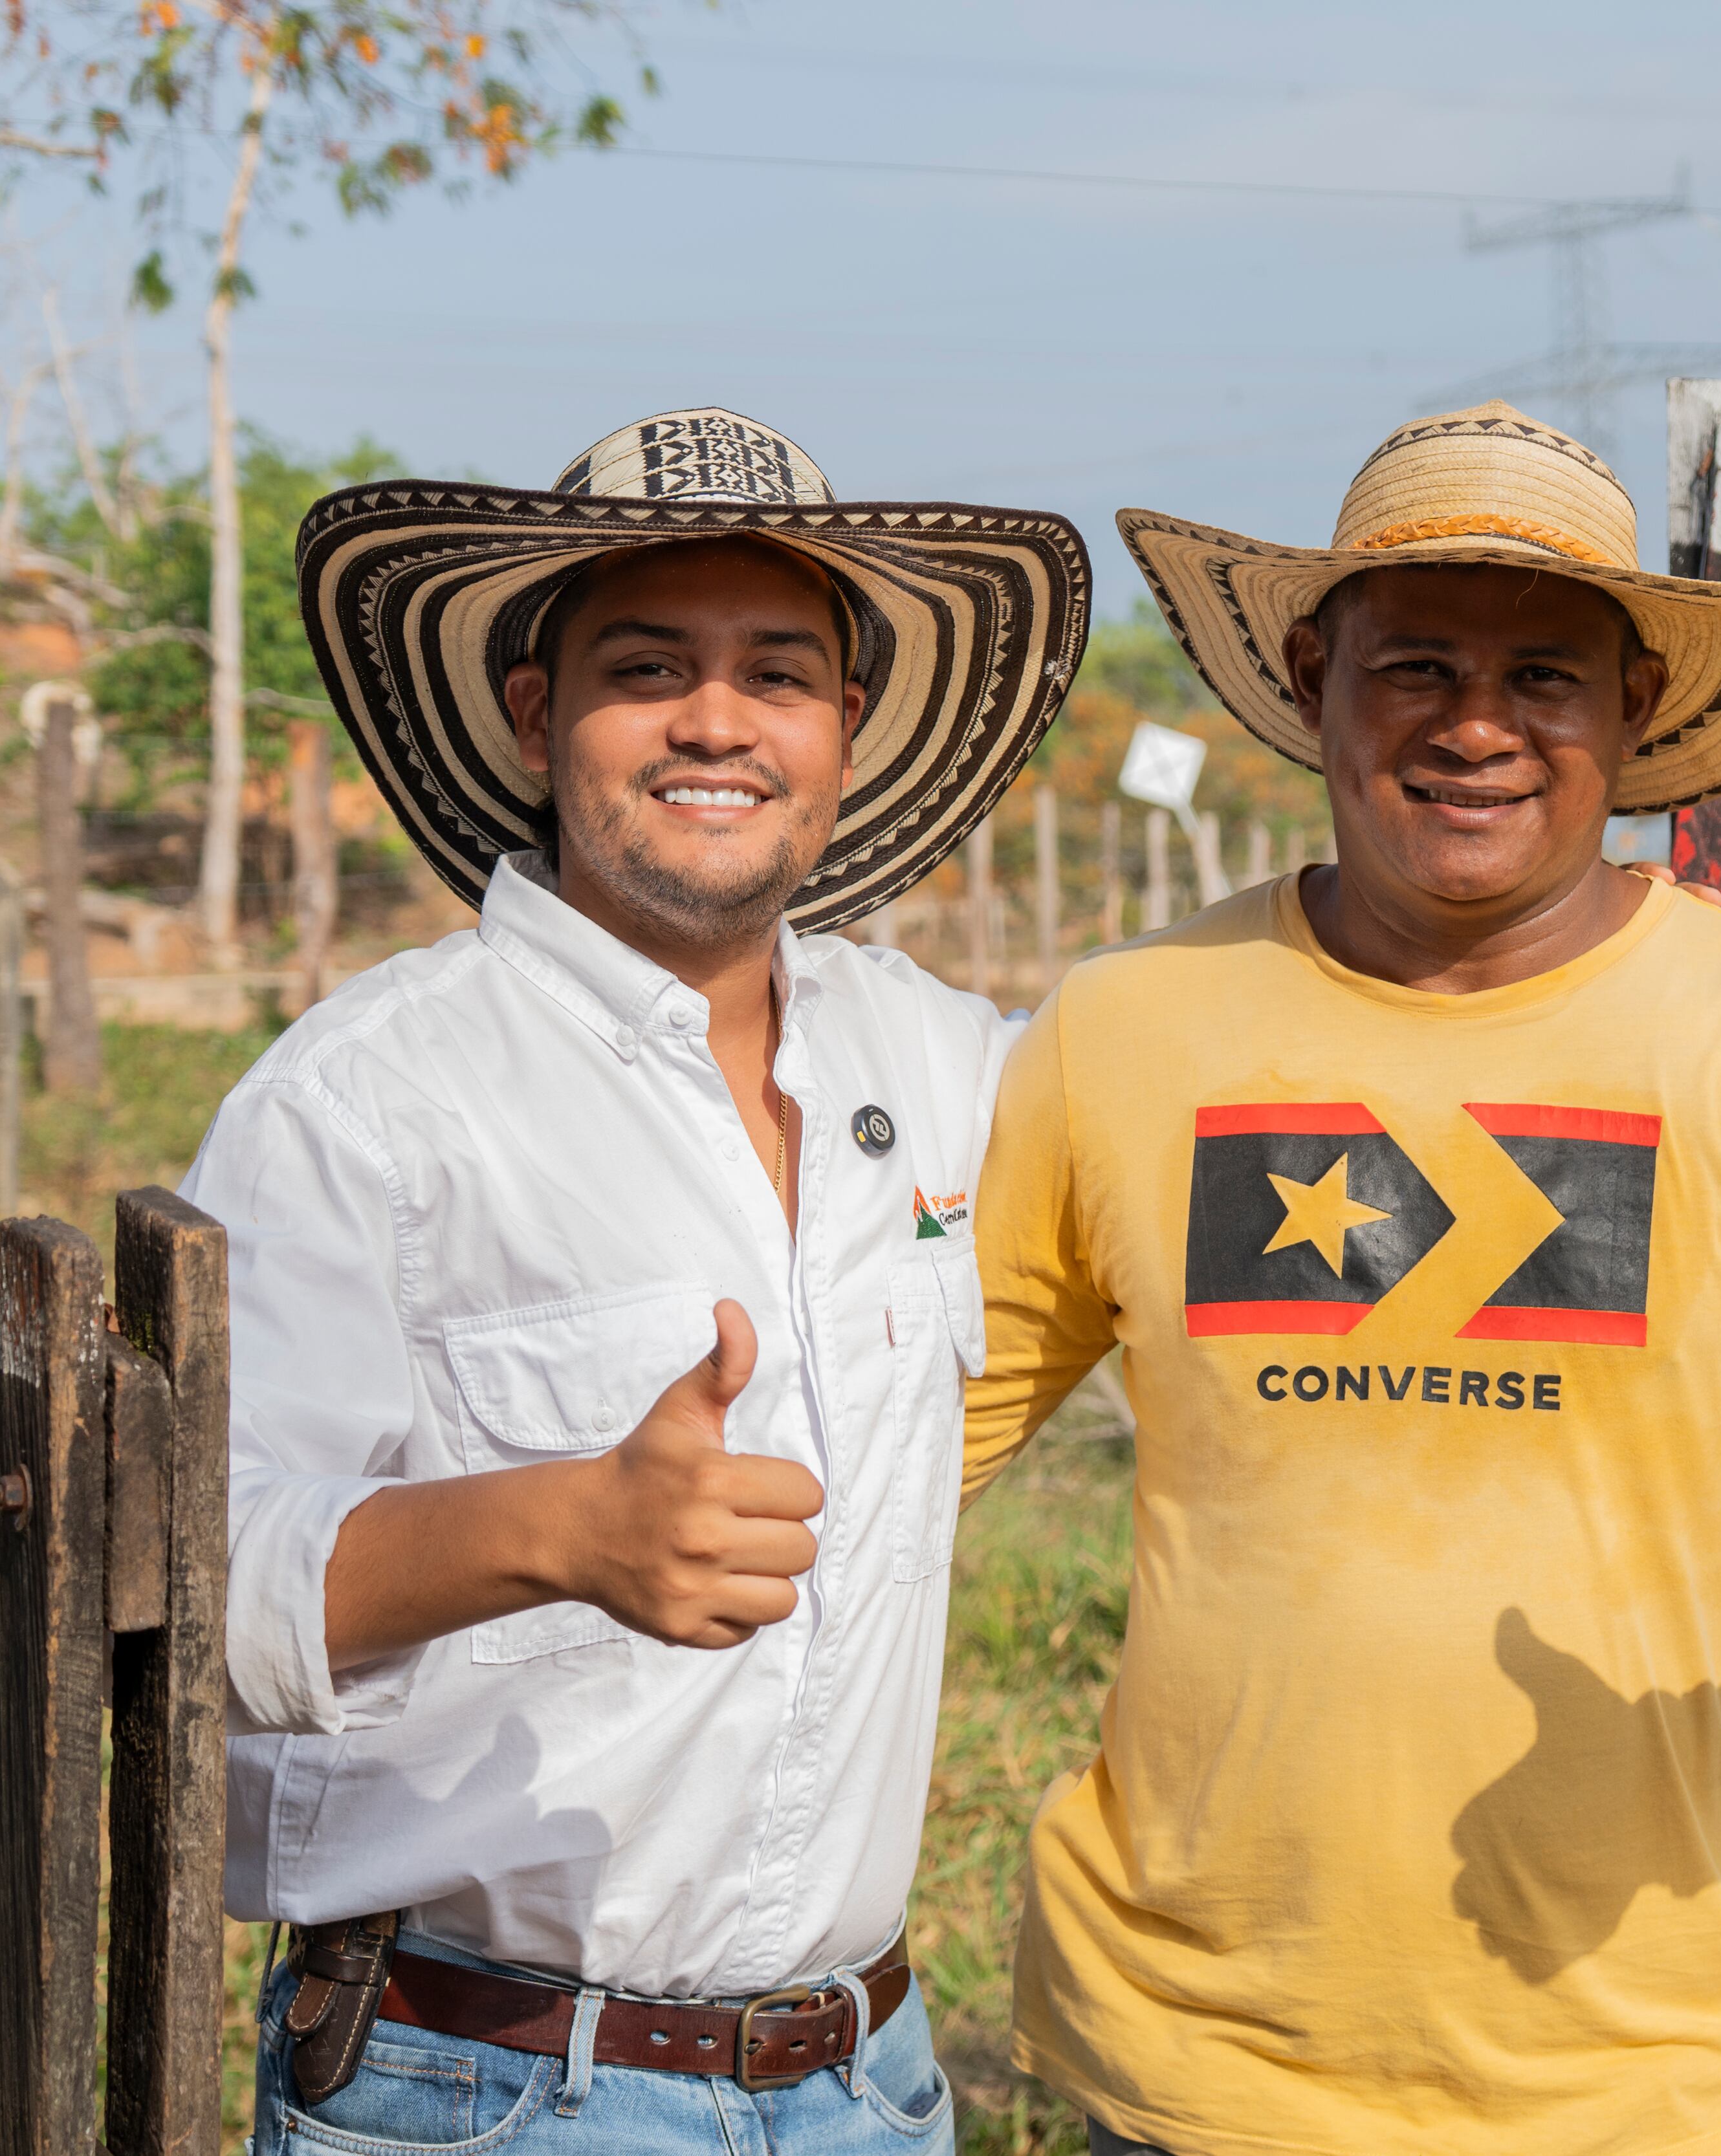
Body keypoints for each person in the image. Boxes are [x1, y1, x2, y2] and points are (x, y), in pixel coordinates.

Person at [961, 402, 1721, 2156]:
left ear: (1638, 711)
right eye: (1416, 667)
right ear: (1314, 678)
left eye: (1546, 675)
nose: (1477, 727)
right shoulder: (1123, 1027)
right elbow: (899, 1452)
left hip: (1646, 2092)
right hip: (1184, 2079)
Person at [190, 408, 1088, 2155]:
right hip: (492, 2084)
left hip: (871, 2083)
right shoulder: (367, 1100)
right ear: (539, 716)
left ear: (844, 732)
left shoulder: (941, 1059)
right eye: (648, 664)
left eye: (781, 671)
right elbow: (175, 1579)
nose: (717, 720)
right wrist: (563, 1529)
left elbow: (1222, 1116)